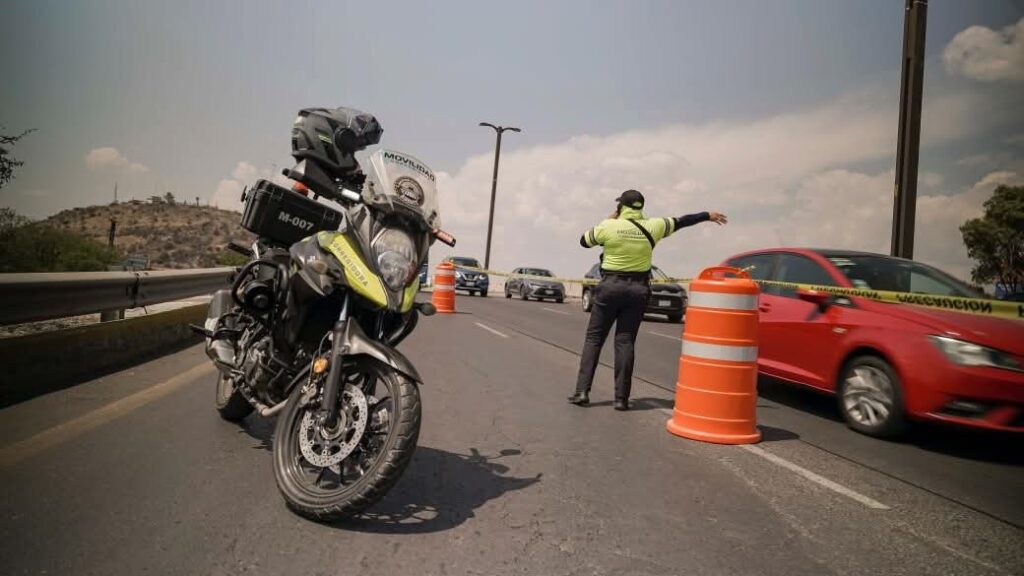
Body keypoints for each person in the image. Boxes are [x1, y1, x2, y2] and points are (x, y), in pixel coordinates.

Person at [568, 189, 727, 411]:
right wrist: (707, 215)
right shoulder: (655, 225)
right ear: (641, 207)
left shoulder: (609, 226)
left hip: (609, 288)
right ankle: (621, 399)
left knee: (594, 339)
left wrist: (609, 218)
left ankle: (582, 392)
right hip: (638, 291)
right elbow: (682, 221)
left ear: (621, 206)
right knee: (625, 341)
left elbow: (584, 241)